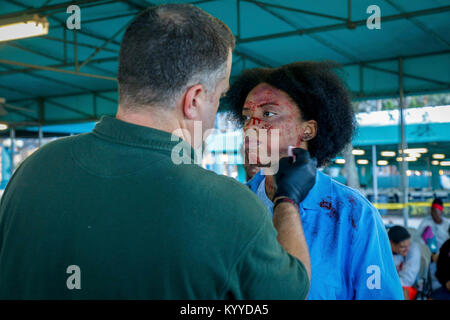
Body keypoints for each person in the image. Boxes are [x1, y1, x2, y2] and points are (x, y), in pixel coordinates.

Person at [0, 4, 315, 299]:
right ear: (193, 100)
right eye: (219, 96)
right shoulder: (227, 206)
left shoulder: (33, 171)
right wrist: (287, 200)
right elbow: (291, 289)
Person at [225, 62, 404, 299]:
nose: (250, 127)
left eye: (268, 113)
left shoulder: (354, 215)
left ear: (308, 130)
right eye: (247, 116)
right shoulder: (232, 206)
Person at [417, 198, 450, 291]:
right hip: (430, 257)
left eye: (436, 211)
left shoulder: (447, 224)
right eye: (432, 211)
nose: (434, 214)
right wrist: (431, 255)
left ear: (441, 211)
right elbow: (418, 241)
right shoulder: (426, 223)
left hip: (445, 256)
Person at [388, 226, 421, 300]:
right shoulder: (383, 250)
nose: (407, 249)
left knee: (401, 293)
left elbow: (407, 280)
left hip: (408, 286)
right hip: (389, 285)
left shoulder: (413, 249)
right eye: (402, 247)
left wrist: (389, 286)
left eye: (408, 245)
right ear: (391, 243)